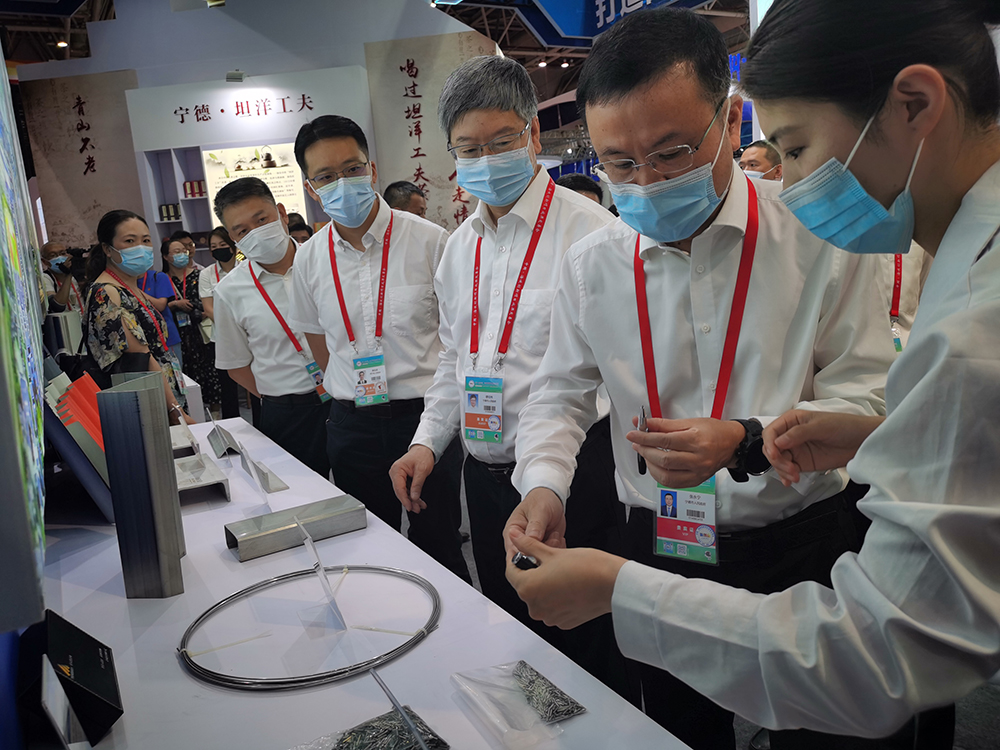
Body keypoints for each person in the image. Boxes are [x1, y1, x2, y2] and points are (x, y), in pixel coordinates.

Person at [506, 0, 1000, 744]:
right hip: (663, 537)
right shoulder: (591, 264)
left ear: (730, 123)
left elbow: (876, 654)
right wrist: (545, 482)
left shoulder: (823, 234)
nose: (647, 182)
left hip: (800, 537)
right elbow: (560, 391)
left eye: (672, 152)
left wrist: (749, 437)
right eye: (620, 165)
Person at [387, 56, 634, 702]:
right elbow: (455, 360)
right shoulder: (459, 247)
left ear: (532, 133)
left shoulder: (595, 236)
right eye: (469, 149)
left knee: (587, 651)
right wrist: (426, 442)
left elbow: (618, 375)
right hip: (485, 475)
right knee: (513, 638)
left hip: (575, 477)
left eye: (501, 141)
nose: (486, 159)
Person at [287, 114, 470, 583]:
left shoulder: (430, 241)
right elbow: (317, 341)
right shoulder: (308, 259)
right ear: (311, 188)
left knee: (440, 543)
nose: (342, 183)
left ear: (371, 169)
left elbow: (458, 337)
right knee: (366, 550)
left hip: (425, 420)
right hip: (353, 427)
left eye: (352, 169)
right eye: (326, 176)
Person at [212, 178, 331, 477]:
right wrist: (279, 396)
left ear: (281, 213)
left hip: (350, 400)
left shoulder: (327, 260)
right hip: (288, 413)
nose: (255, 233)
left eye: (261, 220)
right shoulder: (229, 291)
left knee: (363, 490)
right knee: (303, 495)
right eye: (242, 231)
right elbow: (236, 366)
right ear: (232, 237)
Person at [82, 210, 191, 425]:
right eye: (130, 241)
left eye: (146, 240)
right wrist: (175, 410)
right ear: (107, 249)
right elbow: (140, 357)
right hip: (146, 404)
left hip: (161, 394)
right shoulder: (107, 292)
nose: (140, 247)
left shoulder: (130, 287)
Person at [162, 238, 220, 412]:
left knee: (210, 371)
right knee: (185, 374)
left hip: (201, 331)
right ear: (166, 256)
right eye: (176, 252)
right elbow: (159, 306)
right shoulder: (162, 279)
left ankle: (216, 413)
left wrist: (202, 310)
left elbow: (211, 300)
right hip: (178, 334)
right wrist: (175, 304)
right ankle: (192, 412)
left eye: (184, 251)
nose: (182, 254)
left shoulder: (199, 275)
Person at [199, 227, 242, 418]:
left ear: (233, 245)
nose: (218, 249)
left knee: (258, 384)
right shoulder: (207, 274)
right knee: (228, 386)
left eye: (222, 244)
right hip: (222, 337)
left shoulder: (246, 267)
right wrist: (232, 327)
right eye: (214, 247)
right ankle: (232, 424)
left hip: (250, 333)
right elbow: (208, 308)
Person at [137, 261, 184, 371]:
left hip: (167, 338)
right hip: (143, 340)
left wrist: (136, 291)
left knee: (175, 374)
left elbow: (161, 305)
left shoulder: (158, 277)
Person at [41, 241, 85, 315]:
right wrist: (67, 274)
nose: (59, 257)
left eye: (63, 253)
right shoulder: (45, 278)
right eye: (53, 255)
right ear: (44, 261)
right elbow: (57, 306)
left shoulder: (75, 276)